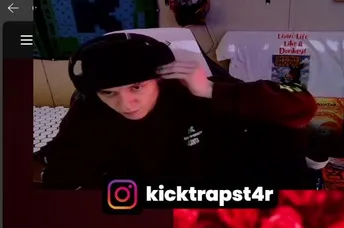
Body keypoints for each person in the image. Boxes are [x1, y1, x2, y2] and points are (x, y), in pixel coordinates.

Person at [38, 32, 319, 190]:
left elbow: (302, 106)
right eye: (109, 93)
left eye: (136, 87)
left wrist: (211, 90)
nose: (126, 104)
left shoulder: (191, 90)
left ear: (159, 79)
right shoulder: (89, 110)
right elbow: (61, 173)